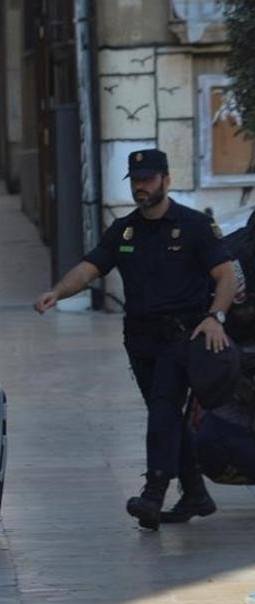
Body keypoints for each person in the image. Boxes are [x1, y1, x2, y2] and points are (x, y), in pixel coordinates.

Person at [34, 149, 236, 531]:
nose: (141, 188)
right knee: (165, 415)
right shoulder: (125, 230)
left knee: (163, 407)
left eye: (148, 179)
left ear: (166, 179)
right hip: (141, 339)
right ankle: (195, 493)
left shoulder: (193, 226)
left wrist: (215, 317)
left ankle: (154, 493)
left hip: (182, 336)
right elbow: (90, 267)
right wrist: (58, 292)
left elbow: (227, 276)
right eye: (136, 181)